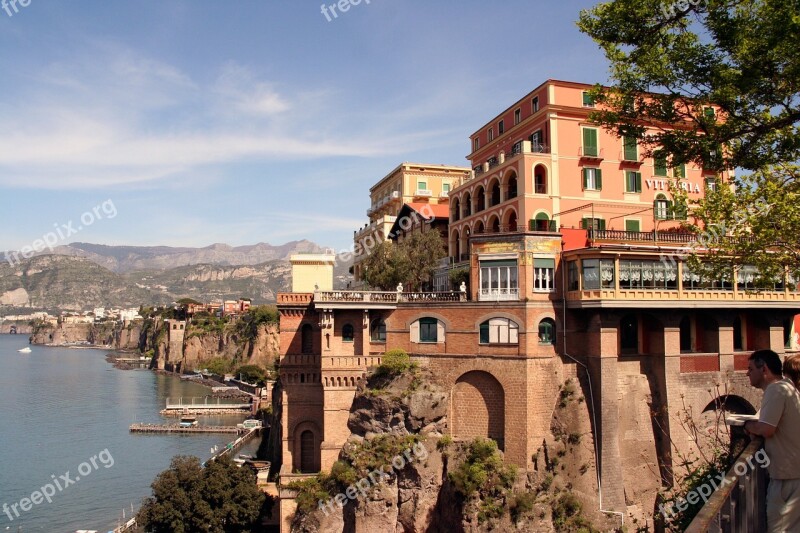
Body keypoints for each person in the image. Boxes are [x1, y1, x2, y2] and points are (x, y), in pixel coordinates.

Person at [744, 349, 800, 532]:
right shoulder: (787, 388)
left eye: (750, 368)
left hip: (787, 479)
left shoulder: (776, 389)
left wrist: (748, 426)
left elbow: (766, 429)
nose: (747, 373)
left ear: (764, 369)